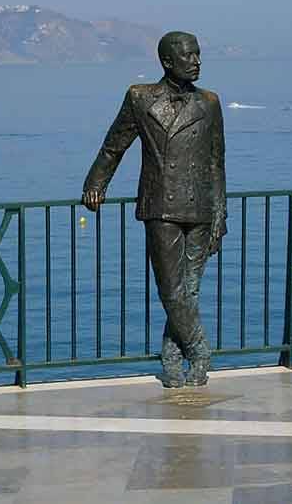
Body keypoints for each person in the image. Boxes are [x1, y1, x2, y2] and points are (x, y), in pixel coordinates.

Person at [82, 31, 227, 388]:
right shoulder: (140, 98)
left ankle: (172, 358)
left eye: (198, 54)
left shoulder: (209, 102)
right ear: (167, 62)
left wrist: (220, 216)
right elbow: (114, 146)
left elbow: (216, 164)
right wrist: (96, 184)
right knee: (170, 289)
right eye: (189, 56)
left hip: (201, 208)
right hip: (160, 205)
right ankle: (199, 349)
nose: (197, 62)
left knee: (188, 289)